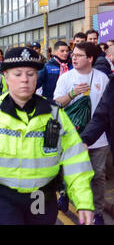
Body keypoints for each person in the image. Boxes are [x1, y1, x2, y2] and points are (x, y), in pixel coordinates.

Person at [0, 46, 95, 225]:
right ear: (6, 77)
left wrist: (84, 202)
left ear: (37, 78)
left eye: (30, 74)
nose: (24, 80)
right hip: (0, 197)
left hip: (40, 197)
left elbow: (75, 160)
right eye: (17, 74)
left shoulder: (55, 114)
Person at [54, 41, 110, 225]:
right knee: (69, 171)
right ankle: (64, 193)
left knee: (97, 175)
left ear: (90, 58)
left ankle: (98, 212)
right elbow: (56, 105)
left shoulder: (103, 79)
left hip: (99, 139)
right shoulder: (66, 78)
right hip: (72, 137)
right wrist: (72, 94)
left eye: (78, 55)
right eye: (73, 54)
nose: (73, 58)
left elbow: (108, 109)